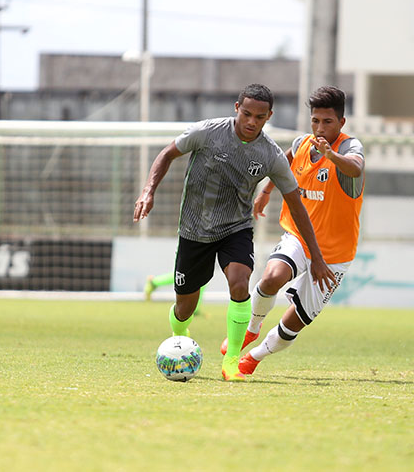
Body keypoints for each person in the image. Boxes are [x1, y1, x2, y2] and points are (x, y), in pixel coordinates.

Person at [133, 83, 335, 381]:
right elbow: (166, 154)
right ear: (237, 109)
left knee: (240, 285)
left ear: (269, 116)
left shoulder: (271, 154)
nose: (252, 121)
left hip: (235, 228)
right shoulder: (208, 132)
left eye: (260, 116)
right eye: (247, 114)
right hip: (194, 229)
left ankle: (231, 362)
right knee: (184, 307)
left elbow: (297, 204)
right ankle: (179, 335)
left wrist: (316, 256)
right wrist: (148, 192)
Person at [230, 86, 364, 377]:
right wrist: (266, 190)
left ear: (341, 123)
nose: (320, 127)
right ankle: (251, 329)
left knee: (295, 322)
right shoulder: (304, 143)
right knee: (271, 276)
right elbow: (287, 157)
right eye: (315, 120)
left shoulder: (348, 148)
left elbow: (355, 169)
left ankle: (253, 357)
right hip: (300, 238)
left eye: (327, 122)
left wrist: (332, 155)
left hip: (334, 255)